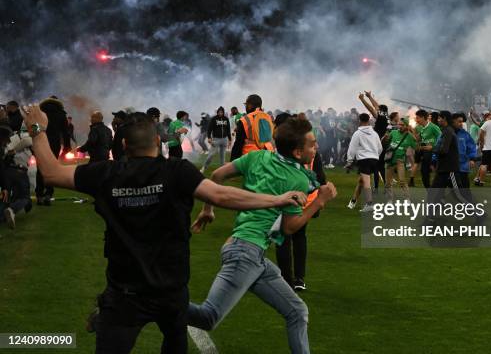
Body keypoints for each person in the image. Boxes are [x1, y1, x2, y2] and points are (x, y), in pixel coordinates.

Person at [21, 105, 307, 354]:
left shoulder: (106, 174)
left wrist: (37, 129)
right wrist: (278, 199)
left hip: (124, 294)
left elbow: (51, 173)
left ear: (123, 146)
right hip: (170, 293)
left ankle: (104, 317)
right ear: (158, 141)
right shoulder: (176, 172)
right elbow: (221, 195)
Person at [188, 117, 337, 354]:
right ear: (298, 153)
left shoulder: (258, 156)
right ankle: (148, 301)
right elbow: (289, 228)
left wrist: (208, 210)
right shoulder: (296, 178)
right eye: (312, 144)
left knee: (297, 311)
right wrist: (319, 201)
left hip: (252, 254)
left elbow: (217, 176)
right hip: (245, 254)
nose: (316, 147)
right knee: (208, 317)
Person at [273, 113, 327, 292]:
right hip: (306, 202)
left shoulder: (277, 153)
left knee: (283, 238)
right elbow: (320, 177)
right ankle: (299, 278)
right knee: (299, 237)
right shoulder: (308, 149)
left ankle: (286, 279)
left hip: (284, 201)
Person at [35, 96, 71, 206]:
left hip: (41, 141)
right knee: (51, 168)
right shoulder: (61, 113)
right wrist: (66, 147)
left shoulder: (40, 112)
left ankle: (39, 195)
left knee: (40, 167)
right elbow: (65, 132)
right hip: (55, 143)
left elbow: (35, 128)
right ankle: (48, 194)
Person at [346, 113, 383, 212]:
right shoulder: (375, 134)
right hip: (374, 159)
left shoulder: (357, 133)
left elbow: (352, 148)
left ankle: (369, 203)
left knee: (366, 182)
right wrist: (375, 155)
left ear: (359, 120)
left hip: (364, 160)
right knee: (361, 181)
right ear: (369, 120)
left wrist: (349, 161)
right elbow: (380, 148)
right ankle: (353, 202)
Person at [1, 127, 33, 228]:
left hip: (7, 171)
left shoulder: (6, 143)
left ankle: (3, 215)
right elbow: (31, 137)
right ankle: (11, 210)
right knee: (25, 197)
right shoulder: (25, 135)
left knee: (6, 196)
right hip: (19, 171)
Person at [358, 91, 388, 193]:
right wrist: (370, 96)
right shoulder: (385, 116)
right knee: (381, 166)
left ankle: (376, 188)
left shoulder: (380, 117)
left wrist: (362, 99)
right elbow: (376, 106)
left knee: (376, 166)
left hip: (377, 143)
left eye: (378, 109)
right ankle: (384, 187)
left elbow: (371, 108)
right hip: (382, 143)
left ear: (380, 111)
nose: (376, 108)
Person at [230, 94, 274, 160]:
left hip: (251, 157)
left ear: (250, 105)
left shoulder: (245, 119)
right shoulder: (268, 117)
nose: (246, 107)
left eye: (246, 105)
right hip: (268, 155)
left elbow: (238, 144)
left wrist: (233, 161)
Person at [382, 118, 416, 202]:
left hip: (400, 161)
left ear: (407, 126)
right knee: (388, 182)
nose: (399, 126)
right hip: (390, 160)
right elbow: (385, 142)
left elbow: (416, 146)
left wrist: (414, 135)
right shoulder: (393, 132)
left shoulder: (409, 136)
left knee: (402, 180)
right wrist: (384, 138)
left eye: (402, 125)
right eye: (399, 124)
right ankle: (390, 199)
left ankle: (407, 199)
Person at [414, 109, 441, 188]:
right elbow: (420, 140)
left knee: (433, 174)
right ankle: (430, 192)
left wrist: (433, 147)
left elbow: (442, 138)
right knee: (424, 172)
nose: (416, 120)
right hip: (426, 155)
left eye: (418, 118)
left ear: (423, 117)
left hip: (435, 154)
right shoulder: (422, 128)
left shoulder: (433, 127)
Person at [202, 106, 231, 172]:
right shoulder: (214, 119)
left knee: (222, 157)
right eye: (219, 112)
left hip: (224, 139)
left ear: (223, 112)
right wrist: (209, 137)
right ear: (217, 112)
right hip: (216, 139)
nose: (220, 113)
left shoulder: (226, 119)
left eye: (222, 112)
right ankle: (204, 167)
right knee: (211, 155)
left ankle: (221, 171)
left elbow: (228, 129)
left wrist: (230, 139)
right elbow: (209, 129)